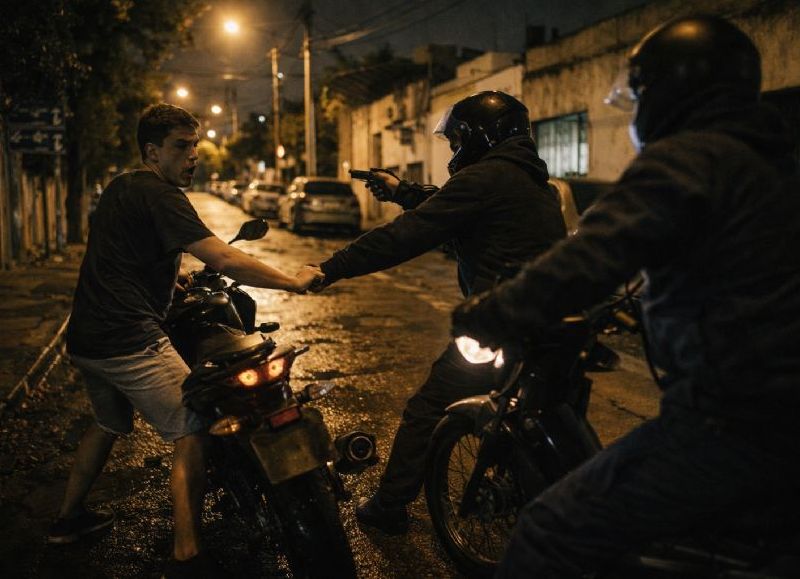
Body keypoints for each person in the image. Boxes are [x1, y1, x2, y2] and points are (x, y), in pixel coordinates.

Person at [452, 15, 800, 577]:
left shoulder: (688, 159)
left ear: (668, 92)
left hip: (736, 422)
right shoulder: (774, 165)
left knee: (548, 532)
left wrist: (490, 311)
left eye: (640, 95)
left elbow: (591, 254)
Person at [48, 103, 321, 577]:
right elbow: (223, 256)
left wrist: (170, 284)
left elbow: (121, 256)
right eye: (181, 146)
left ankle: (66, 520)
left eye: (194, 145)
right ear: (152, 151)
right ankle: (188, 552)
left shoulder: (121, 188)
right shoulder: (162, 195)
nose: (193, 155)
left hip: (86, 338)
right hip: (126, 338)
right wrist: (293, 282)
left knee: (108, 424)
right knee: (193, 425)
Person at [309, 91, 567, 534]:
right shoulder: (534, 184)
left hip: (496, 329)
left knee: (427, 409)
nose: (454, 151)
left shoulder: (485, 178)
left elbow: (406, 236)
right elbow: (456, 209)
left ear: (477, 136)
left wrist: (328, 268)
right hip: (550, 330)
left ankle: (389, 506)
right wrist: (403, 191)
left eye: (456, 142)